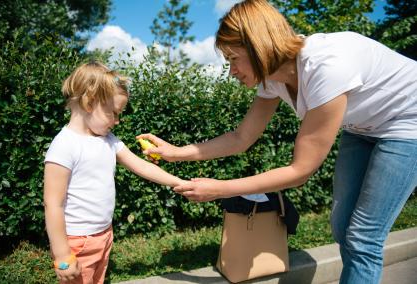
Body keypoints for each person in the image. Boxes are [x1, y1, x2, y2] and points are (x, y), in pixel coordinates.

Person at [137, 0, 417, 283]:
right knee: (342, 225)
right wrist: (176, 153)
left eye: (234, 59)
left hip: (408, 121)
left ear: (259, 45)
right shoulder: (271, 79)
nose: (231, 70)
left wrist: (220, 189)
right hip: (362, 127)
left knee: (363, 237)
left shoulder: (326, 65)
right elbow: (241, 137)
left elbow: (300, 171)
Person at [43, 61, 186, 283]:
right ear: (90, 102)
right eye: (114, 113)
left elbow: (142, 166)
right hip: (77, 242)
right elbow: (53, 203)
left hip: (104, 234)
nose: (118, 121)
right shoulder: (64, 145)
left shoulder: (108, 141)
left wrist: (179, 182)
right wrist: (62, 255)